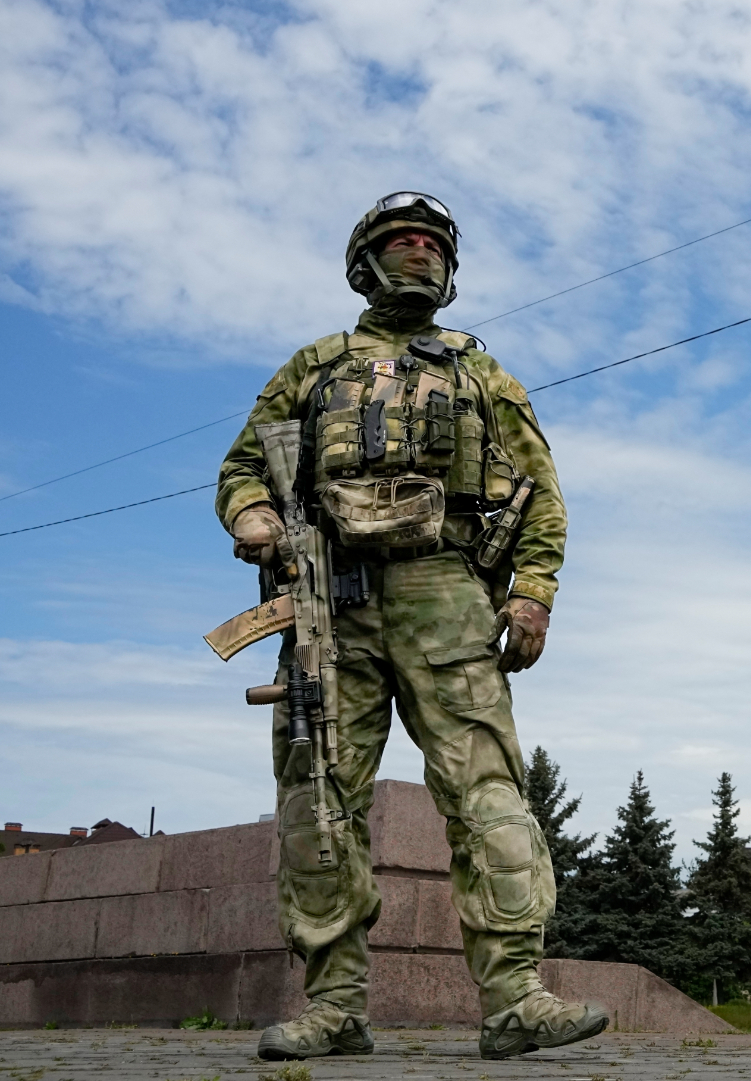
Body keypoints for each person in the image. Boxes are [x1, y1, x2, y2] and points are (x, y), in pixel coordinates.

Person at [217, 192, 601, 1061]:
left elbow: (541, 493)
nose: (420, 251)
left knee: (487, 792)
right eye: (404, 239)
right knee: (319, 799)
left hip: (448, 595)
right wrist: (253, 518)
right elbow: (244, 464)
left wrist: (533, 591)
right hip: (330, 602)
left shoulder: (481, 372)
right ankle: (336, 1005)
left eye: (432, 241)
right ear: (369, 260)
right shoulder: (313, 366)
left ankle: (516, 999)